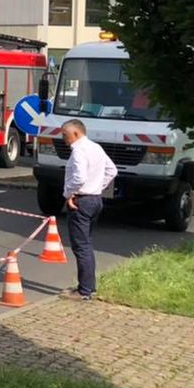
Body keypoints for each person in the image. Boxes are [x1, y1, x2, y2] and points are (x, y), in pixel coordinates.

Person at [60, 118, 117, 301]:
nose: (63, 139)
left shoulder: (79, 150)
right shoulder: (96, 147)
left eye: (65, 134)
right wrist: (98, 187)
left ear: (76, 133)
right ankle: (88, 287)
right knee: (86, 244)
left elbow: (79, 177)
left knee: (81, 246)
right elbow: (112, 170)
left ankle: (84, 291)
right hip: (95, 200)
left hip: (81, 201)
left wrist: (69, 194)